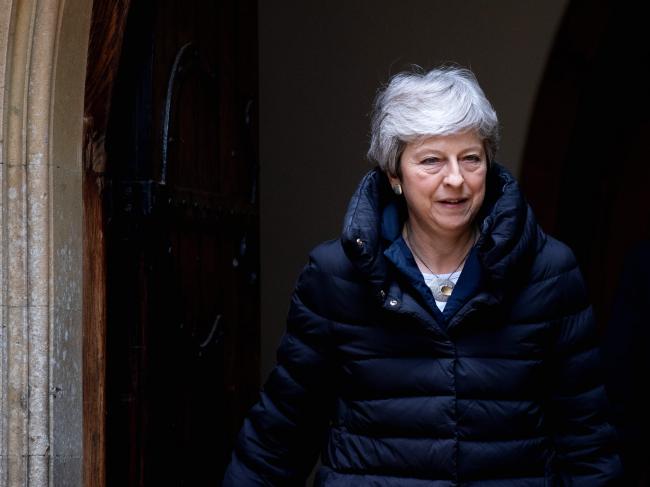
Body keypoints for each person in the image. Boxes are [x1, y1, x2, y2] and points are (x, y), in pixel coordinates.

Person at [223, 66, 623, 486]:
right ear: (394, 175)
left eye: (470, 158)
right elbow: (281, 434)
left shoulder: (549, 273)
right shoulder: (336, 276)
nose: (455, 179)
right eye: (431, 160)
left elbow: (587, 443)